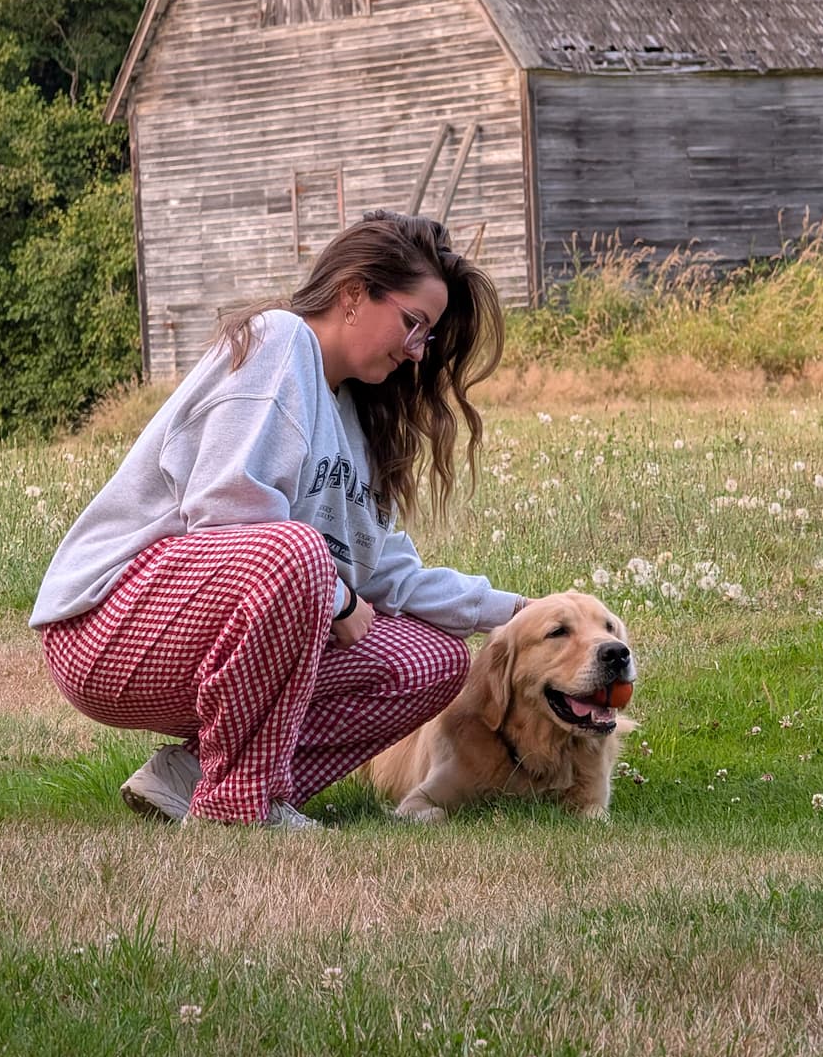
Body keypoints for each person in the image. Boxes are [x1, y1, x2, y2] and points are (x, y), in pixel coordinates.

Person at [30, 210, 526, 830]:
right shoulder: (279, 341)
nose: (417, 351)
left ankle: (192, 775)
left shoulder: (362, 426)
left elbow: (389, 575)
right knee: (299, 555)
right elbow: (225, 514)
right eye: (412, 323)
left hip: (216, 630)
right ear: (352, 294)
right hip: (107, 626)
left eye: (425, 336)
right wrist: (339, 599)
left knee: (432, 659)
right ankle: (238, 805)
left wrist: (522, 612)